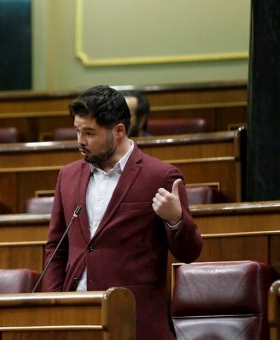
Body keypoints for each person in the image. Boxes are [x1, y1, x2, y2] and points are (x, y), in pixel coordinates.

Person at [42, 85, 202, 339]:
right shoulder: (68, 176)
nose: (80, 141)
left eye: (90, 133)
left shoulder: (160, 176)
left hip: (136, 322)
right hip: (77, 321)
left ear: (118, 131)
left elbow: (190, 252)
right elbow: (56, 247)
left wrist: (176, 219)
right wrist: (54, 305)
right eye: (77, 131)